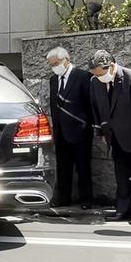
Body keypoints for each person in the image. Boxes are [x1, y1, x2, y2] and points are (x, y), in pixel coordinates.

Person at [89, 50, 131, 225]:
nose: (98, 77)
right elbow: (98, 109)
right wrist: (102, 133)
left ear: (111, 66)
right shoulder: (95, 82)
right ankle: (122, 209)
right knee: (121, 177)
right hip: (115, 138)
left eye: (100, 74)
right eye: (95, 75)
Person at [47, 47, 94, 210]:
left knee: (83, 167)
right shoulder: (53, 80)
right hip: (61, 132)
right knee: (63, 167)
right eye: (51, 64)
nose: (54, 66)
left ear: (66, 59)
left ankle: (86, 199)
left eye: (56, 63)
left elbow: (90, 104)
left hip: (80, 131)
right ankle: (63, 198)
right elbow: (54, 107)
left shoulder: (83, 77)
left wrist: (92, 126)